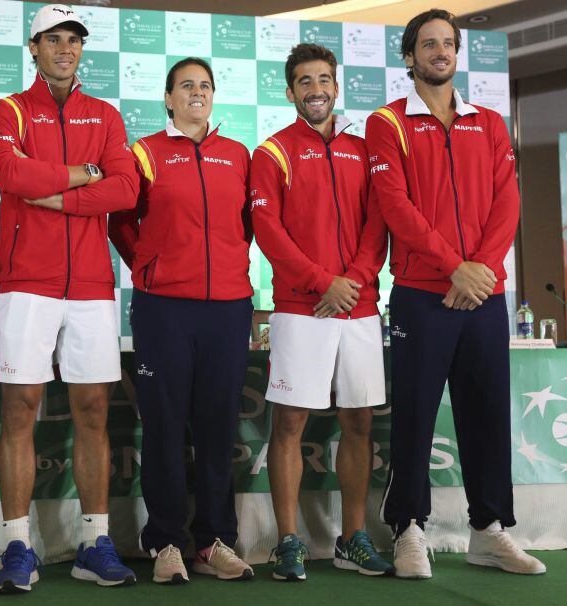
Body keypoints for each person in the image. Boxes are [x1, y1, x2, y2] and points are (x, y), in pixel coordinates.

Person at [365, 8, 546, 579]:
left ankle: (489, 531)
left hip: (484, 294)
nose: (439, 52)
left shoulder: (489, 123)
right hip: (423, 294)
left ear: (456, 53)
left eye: (448, 43)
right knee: (416, 415)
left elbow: (507, 201)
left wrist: (482, 270)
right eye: (428, 44)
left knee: (487, 414)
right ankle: (409, 529)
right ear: (409, 55)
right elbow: (397, 206)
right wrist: (454, 269)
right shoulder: (386, 123)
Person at [0, 4, 139, 592]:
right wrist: (81, 174)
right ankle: (17, 544)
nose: (65, 48)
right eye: (53, 39)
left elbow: (124, 189)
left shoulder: (104, 113)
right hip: (27, 283)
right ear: (34, 47)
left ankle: (93, 541)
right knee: (20, 408)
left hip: (93, 287)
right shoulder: (9, 110)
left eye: (73, 39)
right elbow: (7, 172)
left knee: (94, 411)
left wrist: (60, 194)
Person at [109, 57, 254, 584]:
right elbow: (121, 223)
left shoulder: (238, 155)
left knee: (218, 430)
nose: (197, 93)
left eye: (205, 86)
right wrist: (152, 269)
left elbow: (246, 227)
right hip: (163, 309)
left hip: (227, 309)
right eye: (186, 86)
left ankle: (215, 542)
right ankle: (166, 541)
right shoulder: (143, 153)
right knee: (165, 428)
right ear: (168, 98)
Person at [250, 44, 392, 581]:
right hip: (299, 308)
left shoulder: (362, 148)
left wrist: (352, 282)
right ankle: (288, 541)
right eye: (305, 81)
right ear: (290, 92)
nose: (316, 89)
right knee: (289, 423)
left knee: (359, 421)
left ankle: (351, 538)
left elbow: (379, 221)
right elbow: (269, 232)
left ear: (336, 87)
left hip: (357, 307)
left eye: (324, 80)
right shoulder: (272, 152)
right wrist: (319, 283)